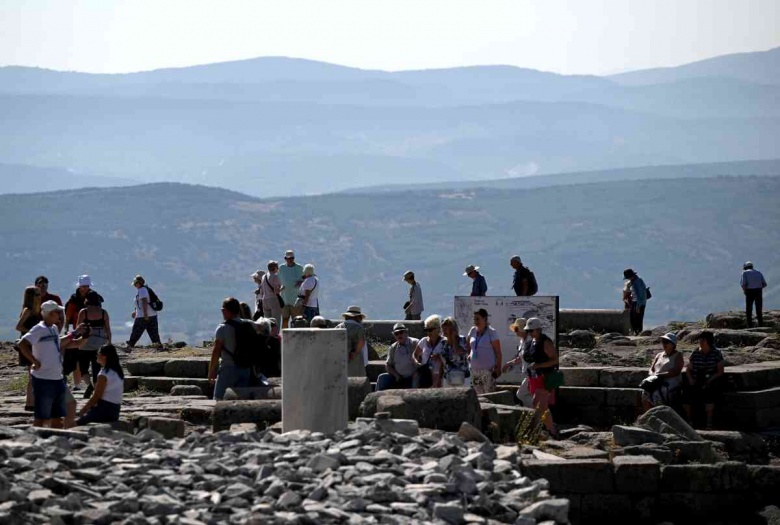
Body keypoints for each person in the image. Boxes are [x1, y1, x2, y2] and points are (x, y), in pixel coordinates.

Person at [17, 301, 88, 428]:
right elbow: (22, 343)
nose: (60, 315)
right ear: (49, 314)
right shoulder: (39, 329)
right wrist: (34, 361)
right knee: (42, 417)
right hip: (43, 379)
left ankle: (60, 438)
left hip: (57, 378)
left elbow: (59, 343)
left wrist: (78, 335)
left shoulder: (53, 328)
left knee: (61, 412)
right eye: (57, 312)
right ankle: (35, 442)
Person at [522, 317, 560, 438]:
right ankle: (549, 430)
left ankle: (548, 431)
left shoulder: (546, 342)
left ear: (538, 330)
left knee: (538, 405)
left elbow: (555, 360)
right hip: (534, 378)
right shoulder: (532, 342)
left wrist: (539, 365)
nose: (529, 333)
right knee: (540, 406)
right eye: (528, 331)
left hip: (544, 377)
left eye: (531, 331)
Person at [209, 297, 253, 400]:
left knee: (218, 399)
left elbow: (216, 351)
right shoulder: (248, 325)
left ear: (225, 311)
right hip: (245, 368)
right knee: (242, 401)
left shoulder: (222, 328)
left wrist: (211, 371)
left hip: (227, 369)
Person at [683, 331, 725, 429]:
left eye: (703, 340)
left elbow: (720, 371)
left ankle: (709, 423)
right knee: (686, 396)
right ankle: (689, 422)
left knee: (709, 394)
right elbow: (688, 369)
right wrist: (690, 379)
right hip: (696, 378)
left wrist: (710, 380)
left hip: (710, 379)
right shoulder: (695, 352)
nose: (701, 342)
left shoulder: (716, 353)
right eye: (700, 340)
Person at [75, 290, 112, 397]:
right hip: (100, 342)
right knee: (97, 367)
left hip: (86, 342)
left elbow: (78, 327)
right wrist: (109, 342)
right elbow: (108, 329)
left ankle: (89, 385)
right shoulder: (104, 312)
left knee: (83, 368)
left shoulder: (83, 312)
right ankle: (97, 392)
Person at [77, 344, 124, 425]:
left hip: (104, 410)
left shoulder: (104, 374)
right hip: (115, 410)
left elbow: (97, 396)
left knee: (76, 422)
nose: (97, 355)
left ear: (104, 356)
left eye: (98, 353)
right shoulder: (118, 372)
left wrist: (82, 411)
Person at [16, 286, 43, 411]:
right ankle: (30, 403)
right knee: (32, 374)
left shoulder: (37, 310)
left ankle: (32, 402)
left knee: (35, 373)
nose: (39, 296)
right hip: (27, 344)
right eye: (36, 294)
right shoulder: (27, 310)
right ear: (30, 296)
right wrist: (31, 333)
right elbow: (19, 326)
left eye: (39, 294)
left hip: (35, 344)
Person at [641, 333, 684, 412]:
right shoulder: (659, 355)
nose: (664, 344)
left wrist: (661, 375)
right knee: (645, 392)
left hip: (670, 381)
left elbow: (676, 371)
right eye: (663, 341)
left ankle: (660, 415)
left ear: (672, 344)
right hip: (656, 379)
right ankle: (648, 415)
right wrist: (653, 375)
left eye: (666, 342)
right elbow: (652, 368)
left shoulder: (678, 355)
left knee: (658, 393)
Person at [465, 309, 502, 394]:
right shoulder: (473, 330)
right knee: (478, 396)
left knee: (489, 395)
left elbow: (498, 352)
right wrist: (470, 354)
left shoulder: (492, 332)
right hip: (474, 370)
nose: (475, 321)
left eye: (478, 319)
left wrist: (498, 368)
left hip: (488, 370)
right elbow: (468, 343)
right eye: (474, 319)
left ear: (484, 319)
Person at [376, 323, 420, 391]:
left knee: (417, 378)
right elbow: (388, 365)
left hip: (413, 376)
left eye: (401, 332)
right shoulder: (393, 348)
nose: (399, 335)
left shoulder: (415, 343)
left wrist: (417, 372)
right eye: (396, 334)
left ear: (406, 333)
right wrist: (396, 375)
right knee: (381, 378)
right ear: (394, 336)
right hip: (398, 378)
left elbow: (422, 361)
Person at [503, 318, 534, 407]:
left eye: (516, 329)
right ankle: (535, 415)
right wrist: (509, 364)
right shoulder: (522, 341)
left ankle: (539, 412)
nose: (515, 332)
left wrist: (508, 364)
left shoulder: (530, 341)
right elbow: (520, 358)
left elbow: (525, 357)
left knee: (521, 394)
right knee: (528, 394)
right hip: (527, 373)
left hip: (532, 373)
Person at [126, 275, 162, 351]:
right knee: (154, 333)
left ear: (139, 283)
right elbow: (141, 303)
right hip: (152, 315)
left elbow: (144, 301)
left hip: (142, 316)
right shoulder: (146, 289)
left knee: (136, 331)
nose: (135, 285)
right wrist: (135, 311)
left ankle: (130, 346)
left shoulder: (142, 290)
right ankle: (158, 347)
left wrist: (145, 314)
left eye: (136, 283)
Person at [411, 315, 445, 388]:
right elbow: (415, 354)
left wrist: (439, 357)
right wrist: (417, 362)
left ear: (437, 329)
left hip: (439, 375)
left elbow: (449, 357)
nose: (428, 332)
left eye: (430, 330)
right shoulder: (423, 341)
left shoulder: (444, 342)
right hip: (426, 374)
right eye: (426, 330)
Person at [438, 317, 470, 388]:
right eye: (443, 328)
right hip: (448, 377)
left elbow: (459, 351)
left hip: (463, 377)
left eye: (446, 328)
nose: (444, 331)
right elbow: (442, 363)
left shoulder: (462, 340)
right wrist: (439, 379)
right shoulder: (443, 343)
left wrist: (454, 339)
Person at [337, 305, 367, 377]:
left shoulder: (339, 326)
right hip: (353, 357)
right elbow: (361, 342)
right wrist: (355, 352)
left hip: (340, 356)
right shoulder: (358, 328)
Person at [279, 250, 304, 328]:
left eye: (292, 258)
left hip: (295, 300)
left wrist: (301, 282)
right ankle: (284, 337)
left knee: (296, 320)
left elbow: (305, 279)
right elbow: (277, 280)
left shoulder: (300, 268)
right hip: (284, 299)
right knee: (285, 319)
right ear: (285, 258)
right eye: (288, 258)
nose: (290, 260)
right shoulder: (281, 268)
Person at [741, 261, 768, 328]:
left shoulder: (745, 273)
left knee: (749, 309)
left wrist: (745, 291)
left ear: (745, 267)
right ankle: (761, 325)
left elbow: (743, 284)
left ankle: (750, 325)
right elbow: (764, 284)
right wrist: (758, 287)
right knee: (759, 309)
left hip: (749, 291)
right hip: (758, 291)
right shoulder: (758, 272)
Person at [623, 268, 648, 335]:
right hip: (634, 302)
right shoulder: (633, 281)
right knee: (632, 318)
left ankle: (638, 332)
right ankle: (635, 331)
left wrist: (638, 306)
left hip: (639, 302)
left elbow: (641, 295)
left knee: (638, 318)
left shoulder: (638, 281)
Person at [261, 260, 284, 329]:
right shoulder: (274, 276)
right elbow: (276, 291)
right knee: (276, 320)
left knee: (268, 322)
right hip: (273, 299)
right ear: (275, 268)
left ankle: (268, 335)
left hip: (264, 300)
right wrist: (282, 287)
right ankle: (276, 336)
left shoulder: (263, 277)